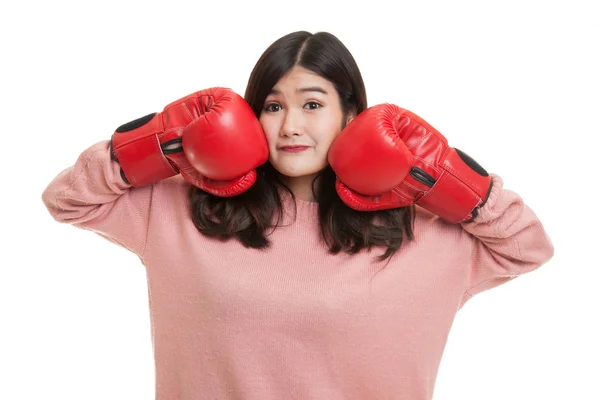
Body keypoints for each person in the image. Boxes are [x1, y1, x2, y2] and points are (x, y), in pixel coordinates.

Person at [41, 31, 554, 399]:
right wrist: (163, 143)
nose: (289, 125)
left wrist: (441, 175)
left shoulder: (414, 230)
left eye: (312, 105)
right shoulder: (183, 208)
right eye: (271, 105)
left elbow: (528, 246)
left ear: (350, 115)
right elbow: (67, 198)